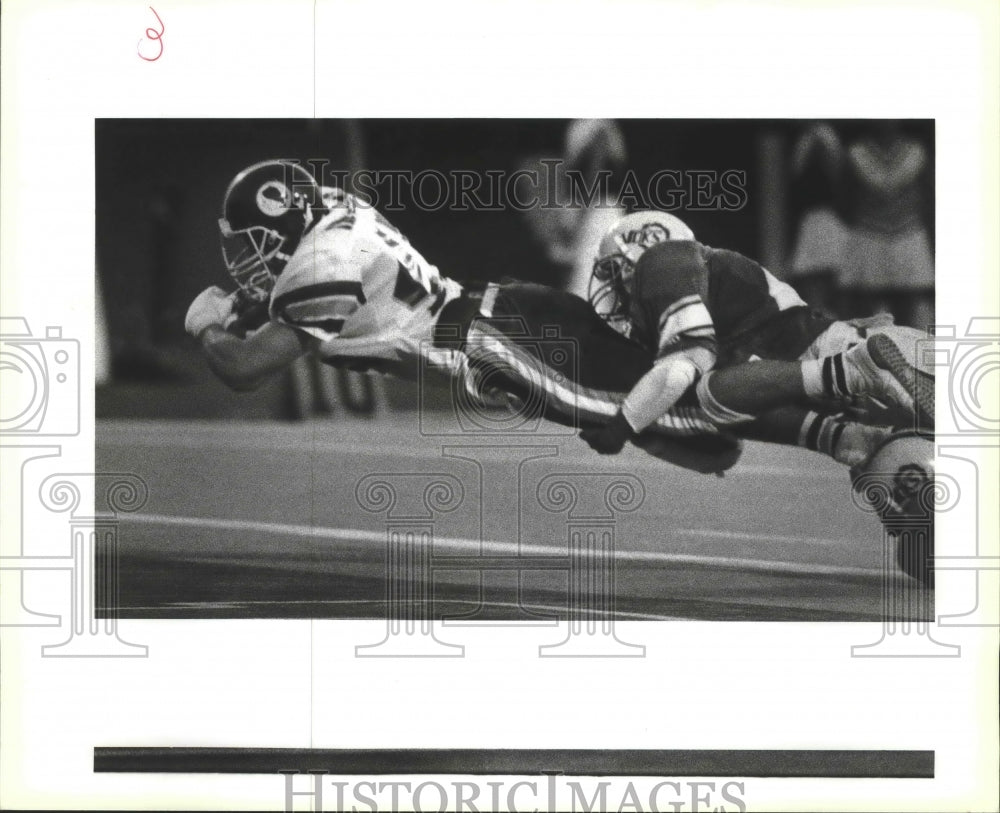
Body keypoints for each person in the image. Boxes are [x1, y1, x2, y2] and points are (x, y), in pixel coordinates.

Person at [186, 161, 917, 477]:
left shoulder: (321, 264)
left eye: (253, 246)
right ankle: (843, 427)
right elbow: (332, 293)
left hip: (492, 341)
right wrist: (252, 302)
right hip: (502, 316)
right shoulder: (336, 224)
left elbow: (245, 369)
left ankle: (847, 379)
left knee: (681, 405)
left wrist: (207, 327)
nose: (251, 262)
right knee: (686, 417)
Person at [577, 210, 933, 461]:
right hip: (878, 373)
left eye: (612, 273)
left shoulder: (664, 261)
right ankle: (841, 433)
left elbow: (684, 363)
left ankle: (853, 375)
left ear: (632, 258)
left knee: (705, 391)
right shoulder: (710, 284)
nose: (614, 292)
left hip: (873, 365)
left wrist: (622, 426)